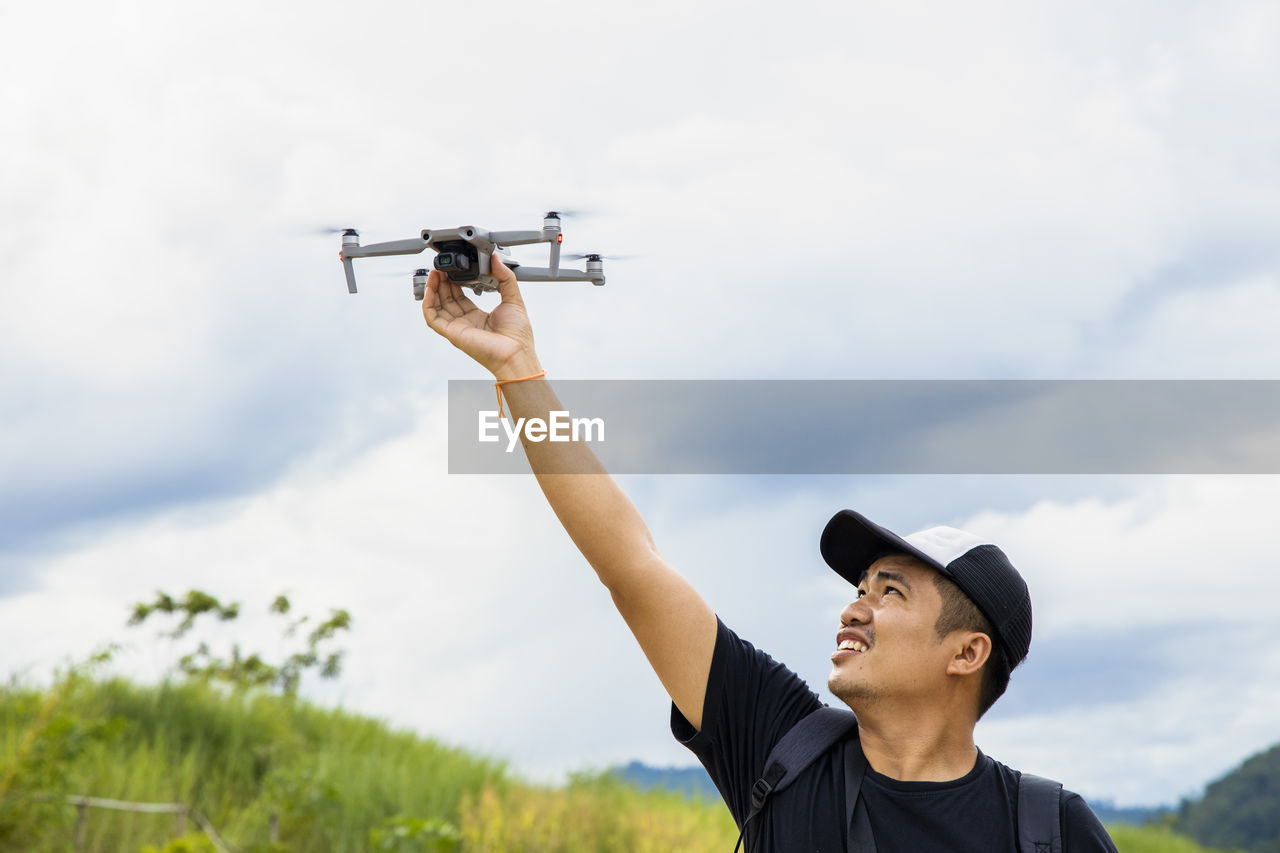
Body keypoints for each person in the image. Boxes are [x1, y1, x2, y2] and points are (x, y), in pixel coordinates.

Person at [420, 256, 1118, 852]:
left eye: (891, 592)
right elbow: (631, 564)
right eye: (863, 587)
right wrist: (518, 369)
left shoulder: (1050, 829)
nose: (855, 606)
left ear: (966, 653)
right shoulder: (784, 747)